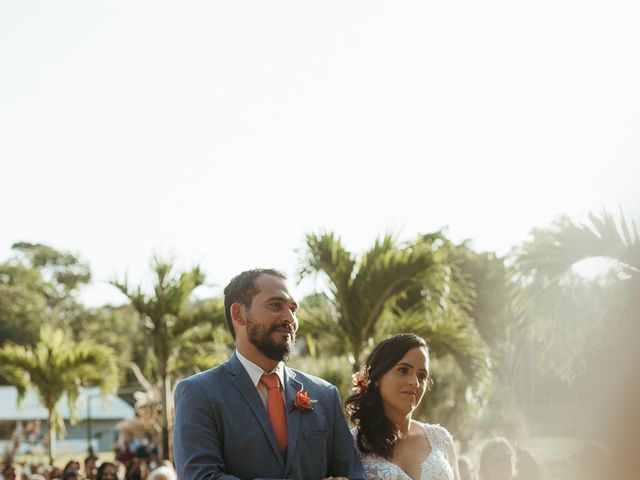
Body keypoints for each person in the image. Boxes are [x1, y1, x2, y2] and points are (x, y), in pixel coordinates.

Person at [173, 268, 365, 480]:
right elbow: (201, 477)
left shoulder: (325, 394)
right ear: (239, 314)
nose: (290, 318)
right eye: (276, 305)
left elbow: (353, 475)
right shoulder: (199, 393)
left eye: (293, 309)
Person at [346, 333, 460, 480]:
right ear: (377, 378)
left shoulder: (440, 439)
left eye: (421, 375)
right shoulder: (350, 446)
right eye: (403, 370)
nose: (415, 382)